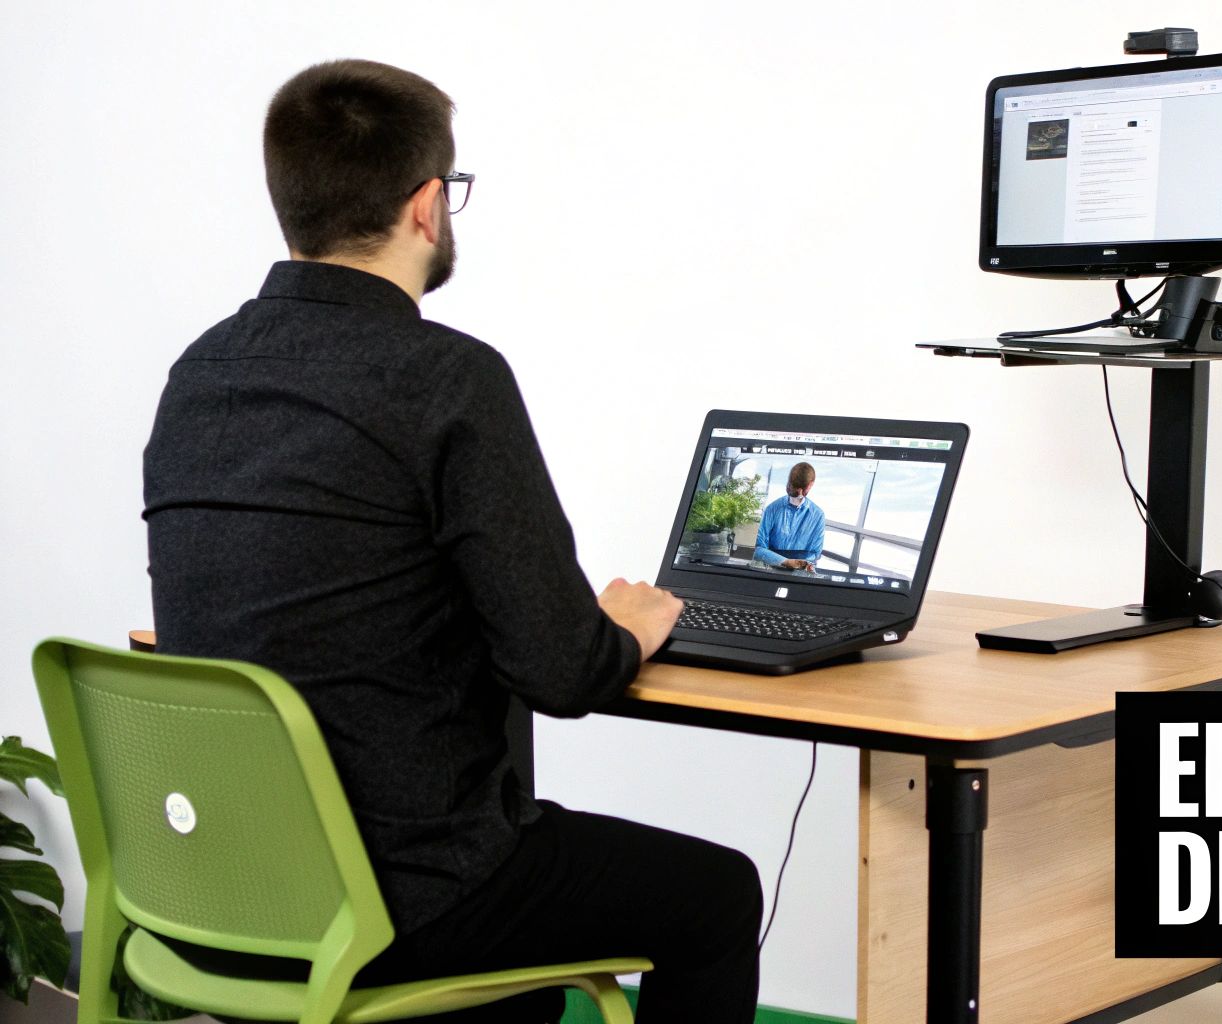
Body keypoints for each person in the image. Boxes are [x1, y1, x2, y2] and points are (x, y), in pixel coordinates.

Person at [141, 60, 761, 1023]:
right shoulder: (445, 378)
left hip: (222, 893)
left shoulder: (200, 372)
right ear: (428, 204)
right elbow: (563, 675)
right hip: (400, 898)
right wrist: (627, 627)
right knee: (715, 895)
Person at [750, 462, 824, 571]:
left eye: (799, 488)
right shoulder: (772, 509)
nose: (796, 491)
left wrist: (799, 563)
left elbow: (815, 554)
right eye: (792, 486)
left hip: (800, 572)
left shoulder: (817, 515)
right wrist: (786, 562)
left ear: (810, 485)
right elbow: (759, 548)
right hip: (771, 569)